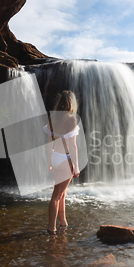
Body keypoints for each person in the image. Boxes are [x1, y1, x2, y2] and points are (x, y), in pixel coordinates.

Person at [44, 90, 81, 235]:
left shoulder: (53, 118)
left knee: (62, 193)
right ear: (72, 103)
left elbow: (48, 143)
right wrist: (76, 166)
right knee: (56, 195)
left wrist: (49, 161)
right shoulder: (72, 119)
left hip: (55, 156)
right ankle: (51, 227)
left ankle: (63, 222)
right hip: (66, 159)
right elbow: (73, 146)